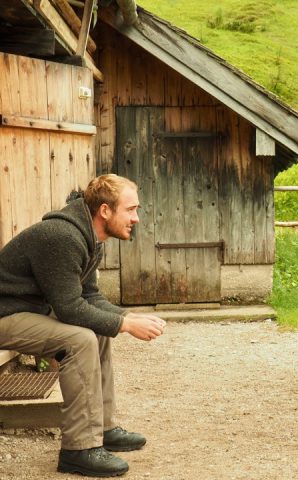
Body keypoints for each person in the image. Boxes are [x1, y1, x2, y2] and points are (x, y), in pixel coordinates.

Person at [0, 174, 167, 476]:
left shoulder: (90, 239)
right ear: (105, 210)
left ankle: (102, 428)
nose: (136, 218)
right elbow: (70, 308)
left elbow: (88, 296)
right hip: (5, 314)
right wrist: (125, 324)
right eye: (130, 209)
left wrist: (125, 317)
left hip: (28, 310)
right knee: (79, 339)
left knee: (98, 332)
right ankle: (79, 449)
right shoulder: (62, 237)